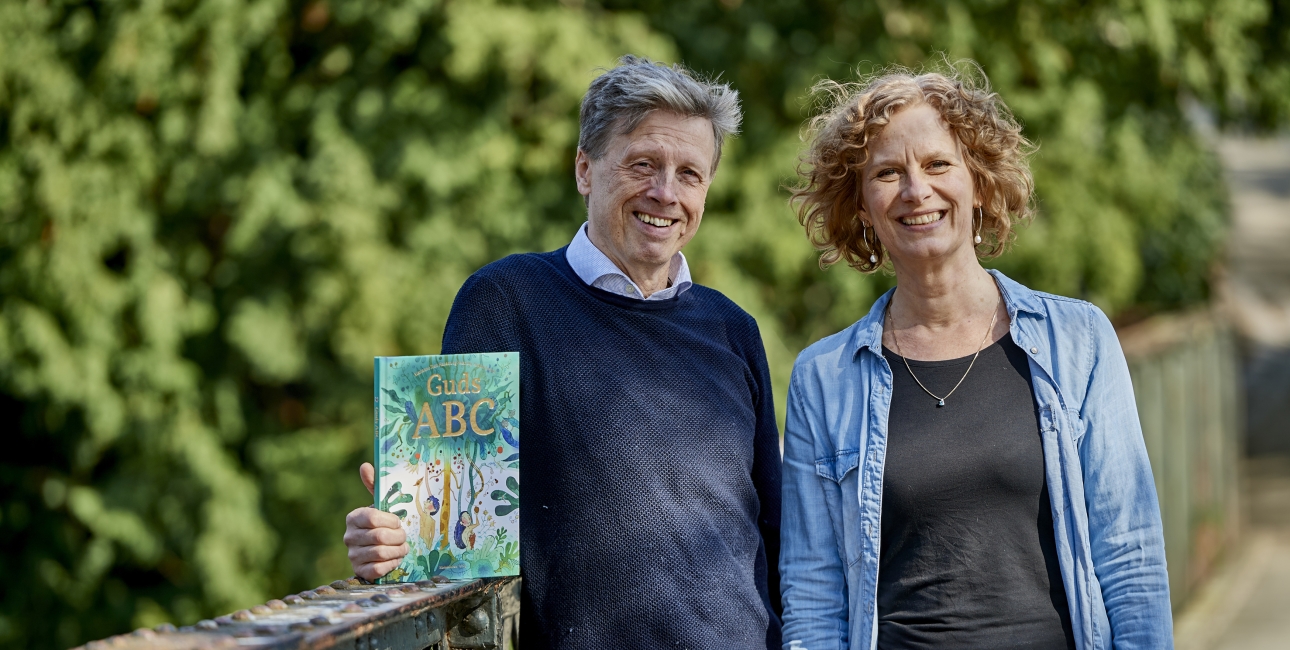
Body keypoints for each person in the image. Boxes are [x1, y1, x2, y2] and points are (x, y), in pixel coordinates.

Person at [344, 55, 783, 649]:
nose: (665, 192)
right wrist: (392, 546)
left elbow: (776, 535)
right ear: (584, 169)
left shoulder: (734, 328)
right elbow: (442, 537)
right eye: (643, 165)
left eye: (690, 174)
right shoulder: (504, 301)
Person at [780, 66, 1172, 650]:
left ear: (980, 183)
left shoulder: (1079, 341)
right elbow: (813, 595)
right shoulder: (823, 378)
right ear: (861, 206)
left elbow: (1130, 555)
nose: (917, 191)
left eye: (938, 165)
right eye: (888, 173)